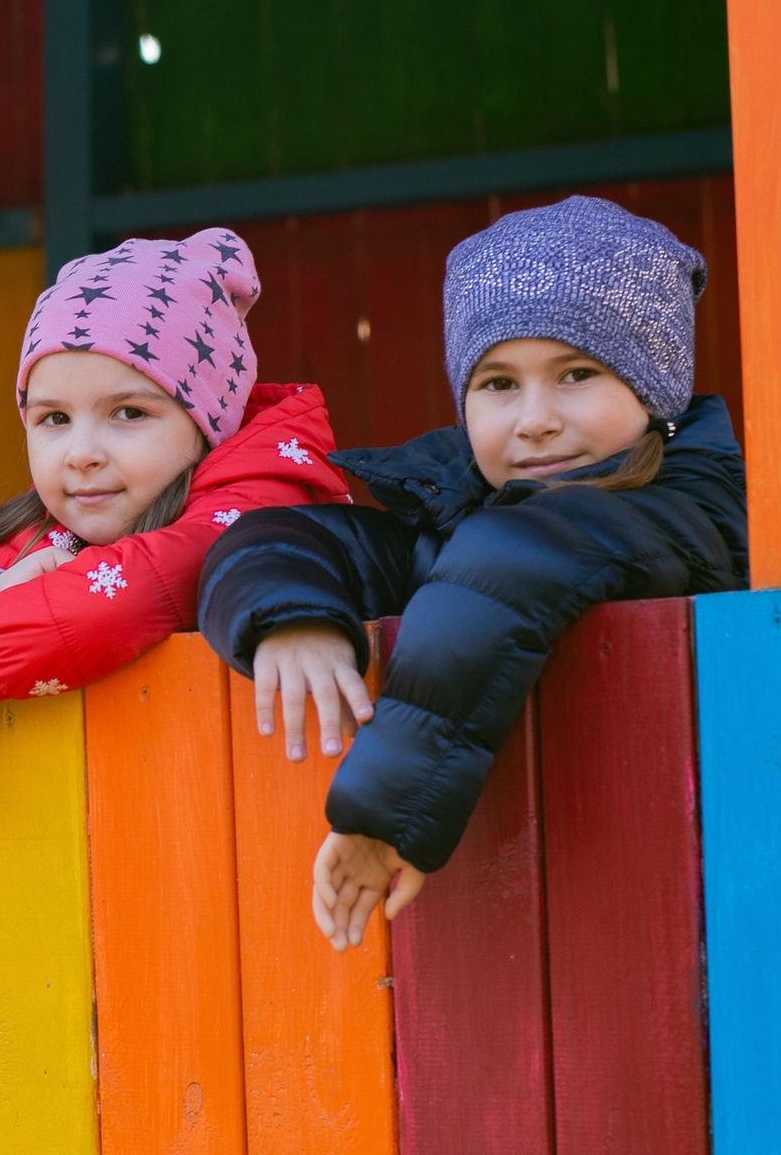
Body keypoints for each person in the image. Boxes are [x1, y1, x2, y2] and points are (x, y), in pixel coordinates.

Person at [198, 196, 748, 949]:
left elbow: (513, 560)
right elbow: (269, 538)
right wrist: (292, 618)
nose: (535, 419)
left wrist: (386, 815)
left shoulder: (691, 510)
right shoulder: (456, 517)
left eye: (577, 372)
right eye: (498, 384)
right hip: (511, 940)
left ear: (655, 390)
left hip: (697, 914)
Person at [0, 228, 346, 818]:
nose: (81, 453)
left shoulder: (257, 504)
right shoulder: (43, 533)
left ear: (209, 422)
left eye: (129, 412)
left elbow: (111, 601)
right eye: (54, 419)